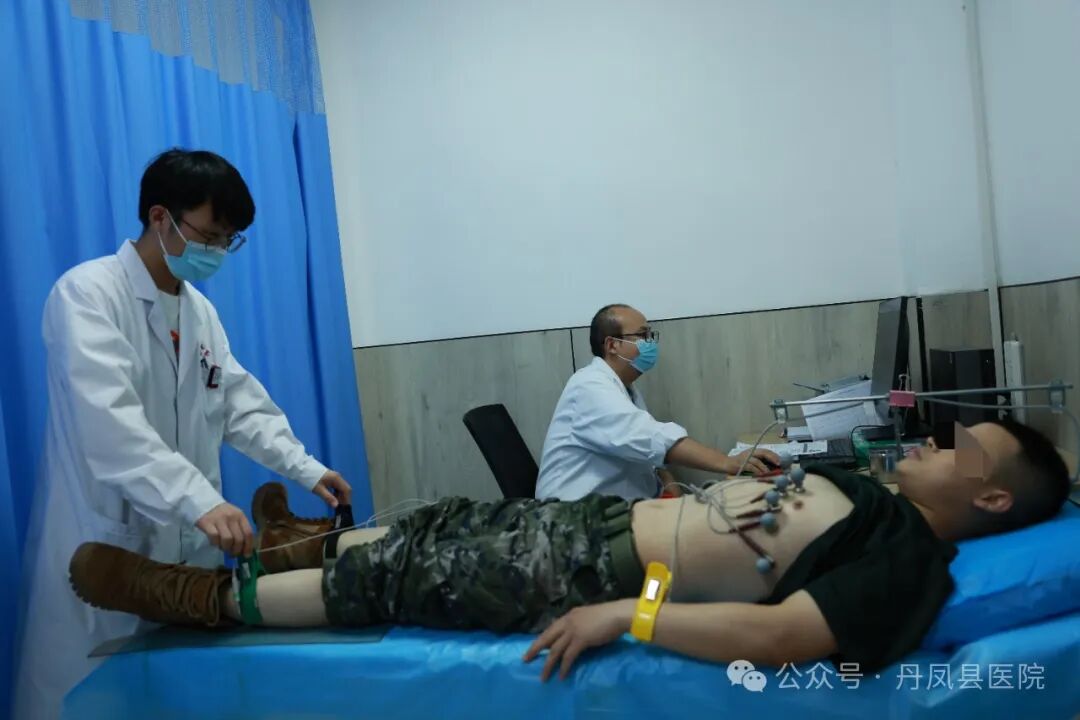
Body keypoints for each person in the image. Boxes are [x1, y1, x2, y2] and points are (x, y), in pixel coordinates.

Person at [70, 419, 1069, 683]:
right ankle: (290, 547)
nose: (933, 443)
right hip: (589, 528)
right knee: (431, 525)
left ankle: (200, 599)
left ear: (988, 498)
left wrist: (627, 613)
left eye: (959, 450)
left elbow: (781, 640)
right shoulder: (878, 498)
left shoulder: (909, 563)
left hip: (601, 573)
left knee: (404, 575)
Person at [13, 149, 352, 720]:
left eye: (227, 241)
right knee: (91, 701)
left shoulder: (198, 314)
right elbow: (110, 425)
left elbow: (239, 406)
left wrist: (306, 468)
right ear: (160, 217)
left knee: (176, 698)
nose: (216, 251)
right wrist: (199, 500)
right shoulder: (88, 295)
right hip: (107, 549)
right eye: (210, 236)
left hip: (183, 560)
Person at [535, 304, 779, 500]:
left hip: (623, 509)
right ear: (612, 345)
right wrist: (728, 463)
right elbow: (648, 437)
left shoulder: (625, 388)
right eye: (643, 335)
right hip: (577, 521)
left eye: (651, 335)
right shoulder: (589, 387)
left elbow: (644, 452)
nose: (650, 343)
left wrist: (667, 484)